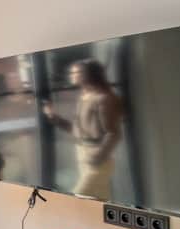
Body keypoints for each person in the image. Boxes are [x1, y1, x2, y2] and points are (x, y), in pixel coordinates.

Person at [42, 59, 123, 199]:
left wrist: (96, 158)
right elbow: (78, 130)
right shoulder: (84, 97)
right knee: (99, 201)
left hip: (97, 160)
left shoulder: (103, 98)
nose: (71, 75)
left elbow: (114, 133)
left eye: (76, 72)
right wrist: (53, 117)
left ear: (88, 74)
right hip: (83, 155)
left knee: (78, 197)